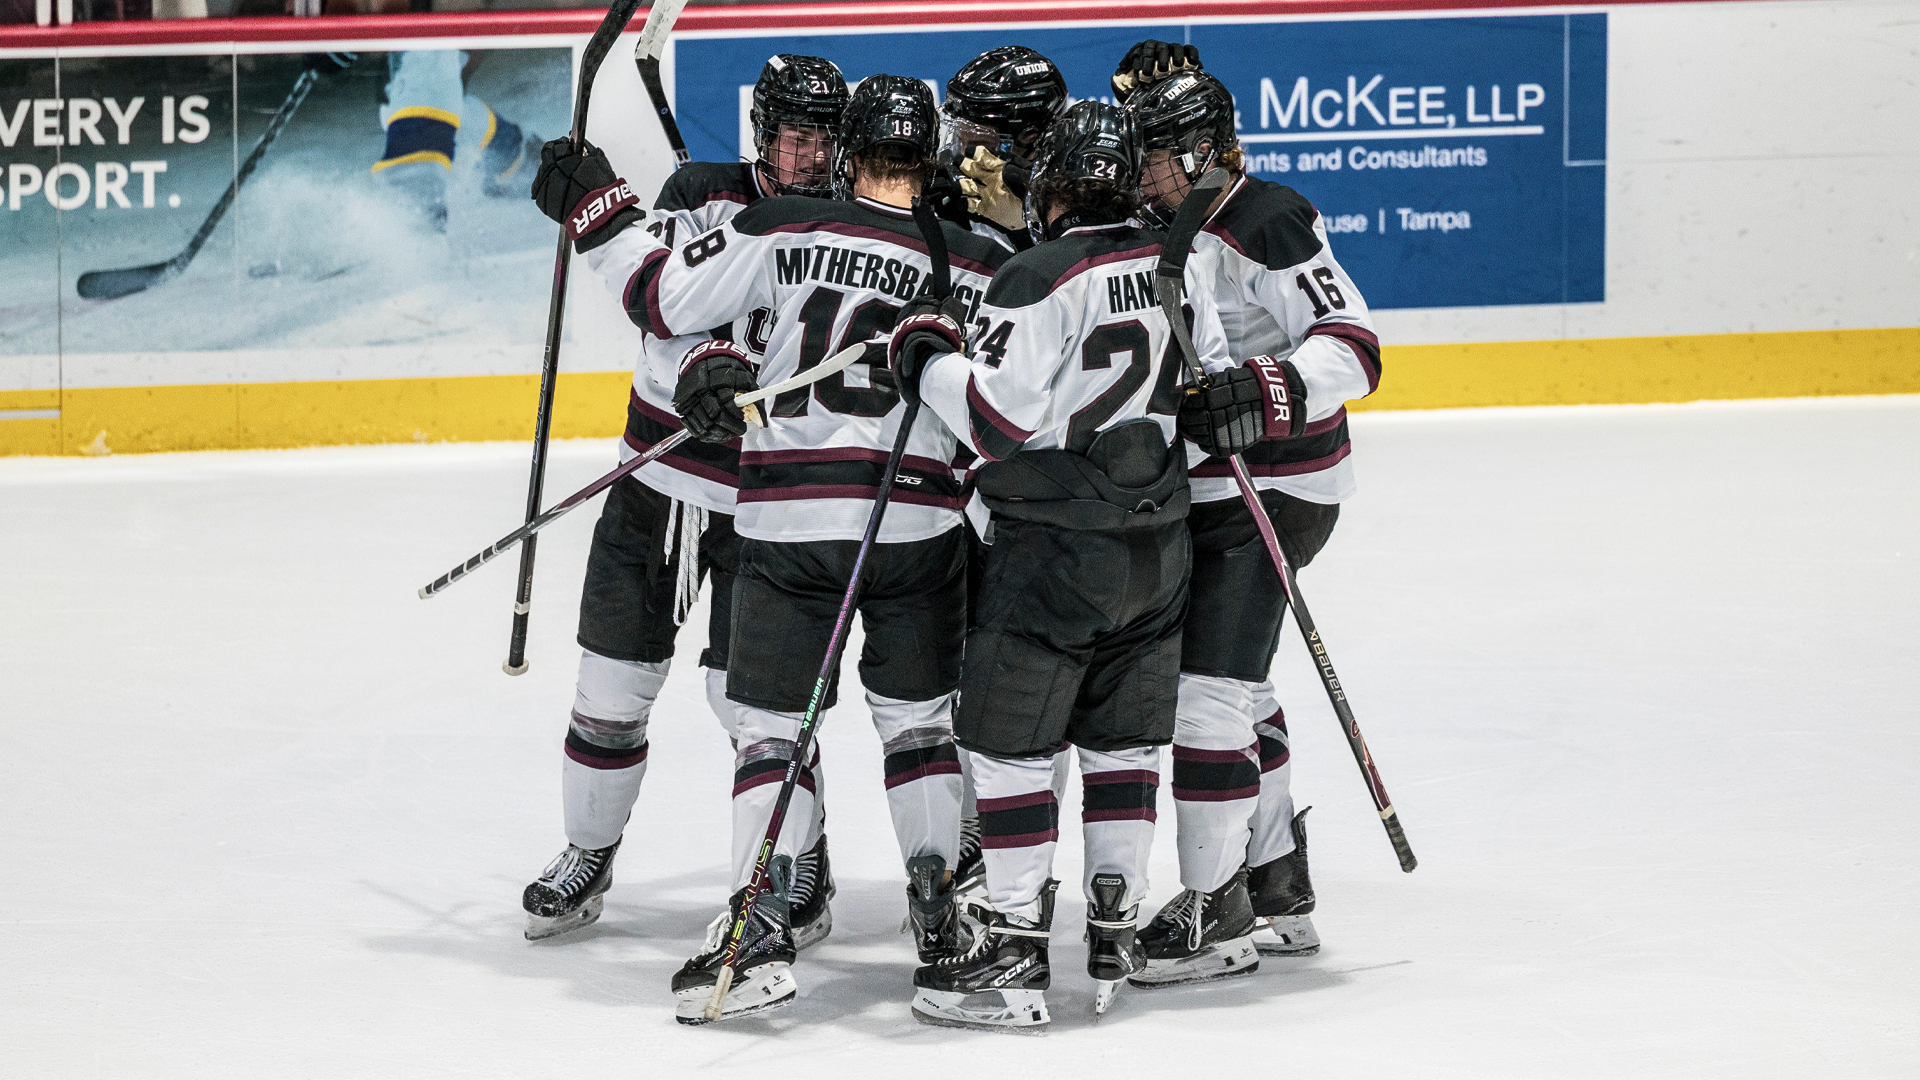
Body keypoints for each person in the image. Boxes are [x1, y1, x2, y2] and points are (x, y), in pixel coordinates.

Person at [563, 72, 1011, 1023]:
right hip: (915, 527)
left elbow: (662, 296)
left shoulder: (782, 230)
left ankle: (758, 925)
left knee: (769, 730)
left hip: (788, 524)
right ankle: (943, 925)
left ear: (846, 153)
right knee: (921, 726)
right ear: (929, 159)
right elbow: (1008, 403)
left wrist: (600, 217)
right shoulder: (973, 258)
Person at [890, 101, 1235, 1031]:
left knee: (1007, 746)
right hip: (1159, 549)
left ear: (1050, 184)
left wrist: (922, 358)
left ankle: (1007, 948)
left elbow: (995, 421)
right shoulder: (1181, 261)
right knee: (1124, 741)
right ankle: (1115, 919)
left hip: (1051, 553)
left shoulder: (1037, 275)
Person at [516, 54, 849, 947]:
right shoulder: (702, 191)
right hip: (657, 488)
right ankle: (588, 851)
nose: (810, 156)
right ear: (761, 134)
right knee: (609, 688)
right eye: (794, 137)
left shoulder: (851, 226)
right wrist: (699, 364)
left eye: (823, 139)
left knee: (752, 708)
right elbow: (660, 303)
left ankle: (796, 871)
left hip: (773, 506)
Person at [1118, 59, 1383, 983]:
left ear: (1200, 152)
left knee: (1208, 693)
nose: (1139, 176)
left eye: (1154, 160)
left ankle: (1215, 908)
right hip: (1217, 486)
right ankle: (1277, 884)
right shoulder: (1166, 225)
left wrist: (1269, 387)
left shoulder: (1264, 217)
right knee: (1242, 690)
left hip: (1276, 489)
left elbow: (1354, 346)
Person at [937, 45, 1069, 253]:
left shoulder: (1072, 198)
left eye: (973, 144)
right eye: (957, 137)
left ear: (1029, 136)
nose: (960, 155)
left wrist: (1023, 233)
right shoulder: (950, 197)